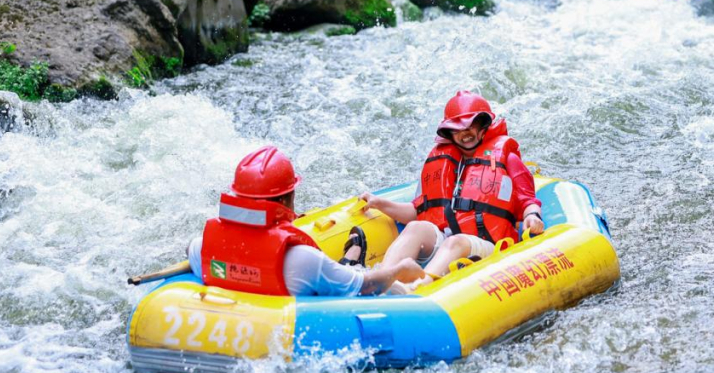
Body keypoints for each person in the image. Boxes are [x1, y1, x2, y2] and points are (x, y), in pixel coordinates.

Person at [187, 146, 426, 297]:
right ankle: (350, 260)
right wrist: (398, 270)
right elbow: (366, 287)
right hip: (291, 325)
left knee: (340, 271)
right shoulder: (302, 259)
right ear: (286, 198)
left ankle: (351, 257)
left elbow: (190, 251)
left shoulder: (201, 247)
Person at [364, 91, 545, 278]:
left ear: (483, 126)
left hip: (489, 244)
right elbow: (417, 211)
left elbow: (528, 200)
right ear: (449, 133)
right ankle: (382, 278)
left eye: (470, 126)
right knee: (416, 228)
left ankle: (420, 286)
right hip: (447, 239)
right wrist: (380, 204)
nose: (464, 134)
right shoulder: (441, 162)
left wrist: (532, 215)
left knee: (456, 242)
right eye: (456, 129)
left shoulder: (509, 159)